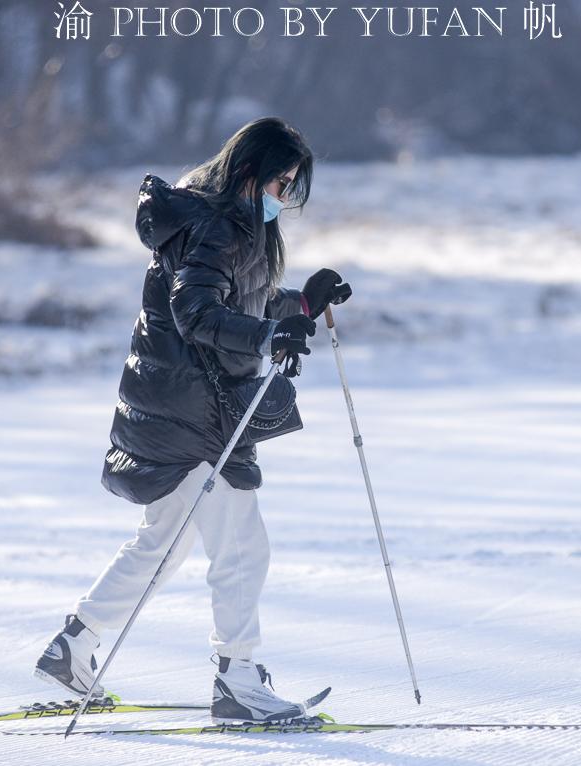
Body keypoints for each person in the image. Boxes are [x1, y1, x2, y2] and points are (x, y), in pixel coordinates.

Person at [34, 117, 352, 723]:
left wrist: (301, 306)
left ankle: (72, 646)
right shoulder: (214, 227)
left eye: (292, 187)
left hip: (182, 408)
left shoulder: (223, 223)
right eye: (280, 183)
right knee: (240, 547)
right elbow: (197, 313)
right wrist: (267, 334)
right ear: (249, 173)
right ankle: (237, 680)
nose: (283, 197)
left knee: (164, 542)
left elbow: (239, 304)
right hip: (195, 413)